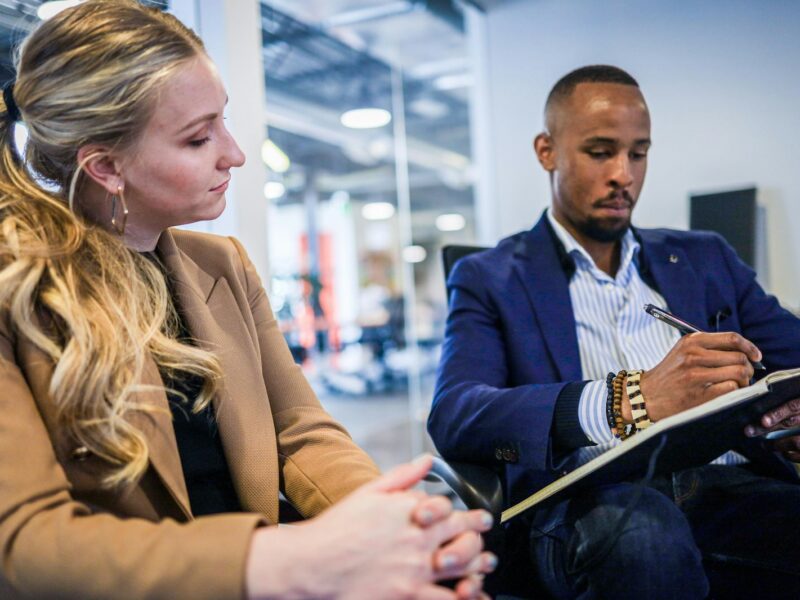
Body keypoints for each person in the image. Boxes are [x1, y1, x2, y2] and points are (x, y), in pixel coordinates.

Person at [0, 1, 497, 598]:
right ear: (106, 166)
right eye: (198, 137)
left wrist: (399, 526)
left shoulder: (223, 264)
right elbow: (27, 542)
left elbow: (300, 431)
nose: (233, 153)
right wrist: (292, 560)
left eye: (223, 122)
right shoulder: (19, 287)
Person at [429, 64, 800, 599]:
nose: (623, 174)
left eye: (638, 153)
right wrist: (628, 400)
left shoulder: (705, 258)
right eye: (601, 152)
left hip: (732, 488)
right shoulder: (491, 278)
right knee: (645, 538)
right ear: (547, 151)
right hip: (591, 502)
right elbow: (458, 412)